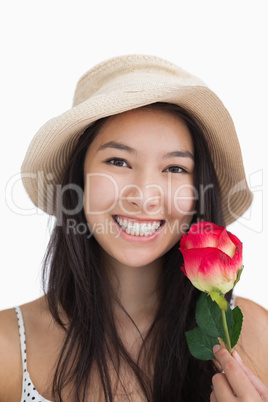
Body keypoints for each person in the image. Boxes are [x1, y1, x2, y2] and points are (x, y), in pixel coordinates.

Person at [0, 55, 267, 402]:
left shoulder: (252, 336)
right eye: (118, 161)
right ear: (78, 179)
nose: (143, 197)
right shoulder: (9, 347)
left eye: (174, 168)